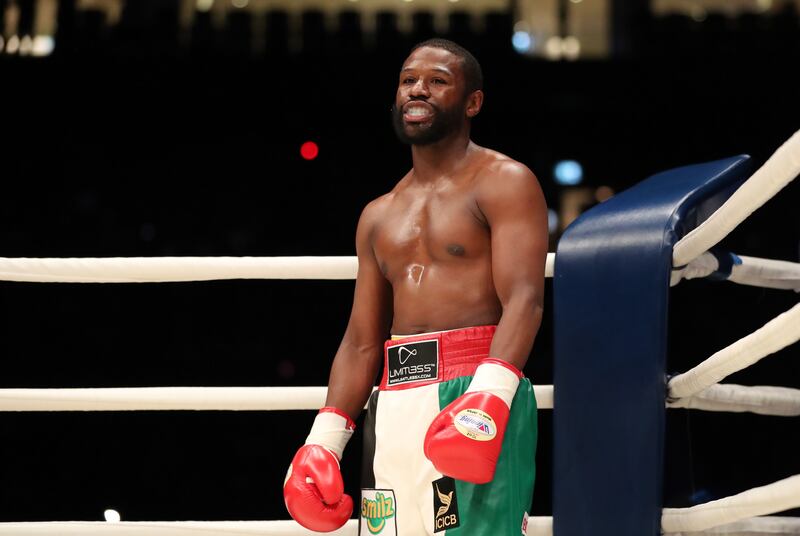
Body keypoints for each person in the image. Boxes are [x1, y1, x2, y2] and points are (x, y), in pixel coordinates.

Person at [283, 38, 548, 536]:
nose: (417, 90)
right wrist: (325, 439)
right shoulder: (378, 215)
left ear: (473, 102)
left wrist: (490, 395)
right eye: (408, 80)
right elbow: (363, 341)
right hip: (394, 402)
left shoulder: (505, 182)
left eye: (437, 80)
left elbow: (525, 300)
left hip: (473, 391)